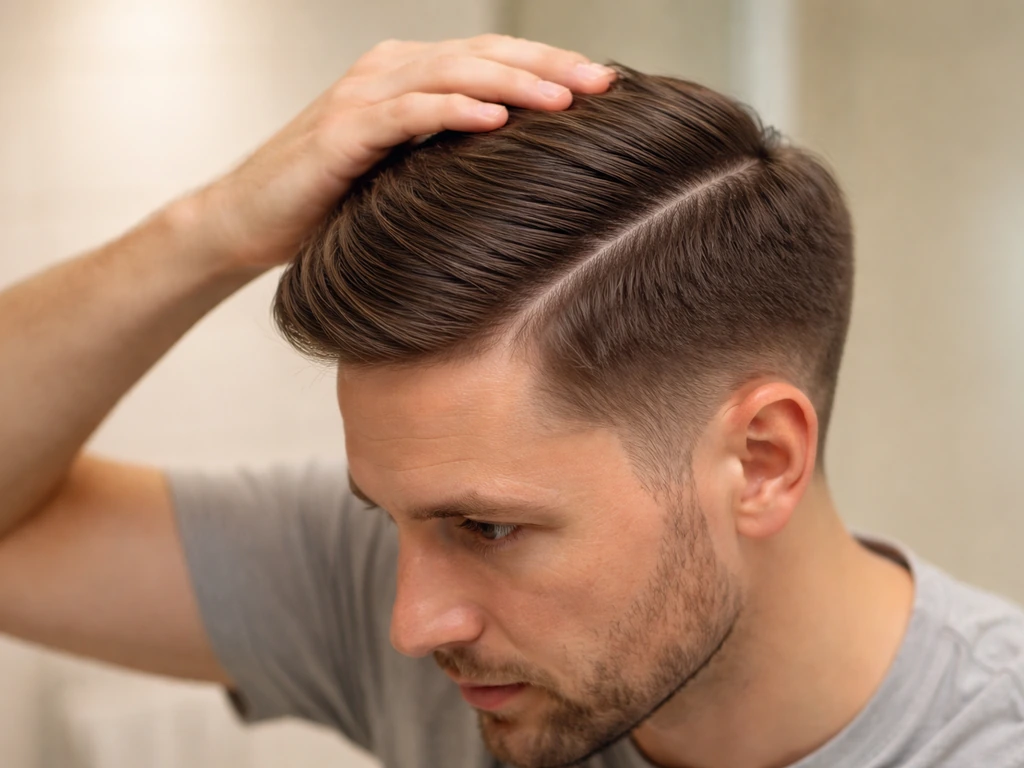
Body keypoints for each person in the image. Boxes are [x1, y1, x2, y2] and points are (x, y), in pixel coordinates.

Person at [0, 33, 1021, 768]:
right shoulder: (391, 589)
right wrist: (210, 226)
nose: (409, 622)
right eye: (385, 517)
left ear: (759, 459)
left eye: (487, 527)